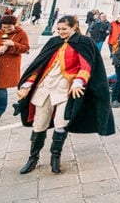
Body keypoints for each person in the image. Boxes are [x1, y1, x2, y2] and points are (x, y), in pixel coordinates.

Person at [17, 15, 114, 174]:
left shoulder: (84, 42)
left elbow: (86, 65)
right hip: (45, 87)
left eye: (64, 29)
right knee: (40, 122)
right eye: (59, 29)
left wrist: (78, 82)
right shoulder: (53, 42)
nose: (61, 32)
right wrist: (27, 85)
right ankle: (33, 158)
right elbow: (40, 66)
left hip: (65, 89)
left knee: (61, 123)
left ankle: (55, 157)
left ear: (74, 27)